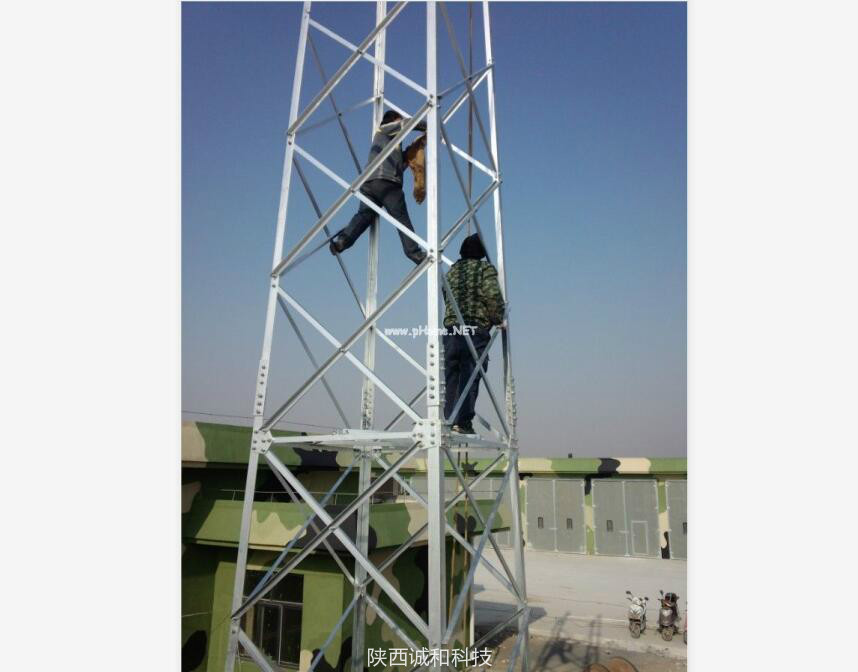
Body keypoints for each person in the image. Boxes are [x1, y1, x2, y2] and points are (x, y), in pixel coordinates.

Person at [330, 110, 427, 264]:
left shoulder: (390, 143)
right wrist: (429, 126)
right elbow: (406, 124)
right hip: (387, 183)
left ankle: (343, 241)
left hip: (370, 184)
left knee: (364, 216)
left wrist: (415, 147)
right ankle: (415, 253)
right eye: (398, 120)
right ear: (393, 120)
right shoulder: (384, 129)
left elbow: (401, 163)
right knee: (401, 218)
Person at [442, 233, 506, 434]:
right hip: (474, 330)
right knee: (471, 374)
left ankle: (449, 420)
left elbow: (446, 296)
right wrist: (498, 319)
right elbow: (493, 297)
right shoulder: (484, 269)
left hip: (451, 331)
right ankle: (462, 422)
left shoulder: (452, 271)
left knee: (452, 375)